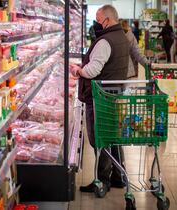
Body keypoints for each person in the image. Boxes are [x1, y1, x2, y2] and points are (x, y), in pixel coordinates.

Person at [69, 4, 129, 193]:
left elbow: (94, 70)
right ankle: (119, 176)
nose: (96, 23)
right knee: (113, 136)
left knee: (100, 139)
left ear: (108, 20)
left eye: (98, 20)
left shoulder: (105, 41)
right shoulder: (122, 37)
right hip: (114, 92)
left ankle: (102, 180)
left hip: (100, 96)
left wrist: (79, 70)